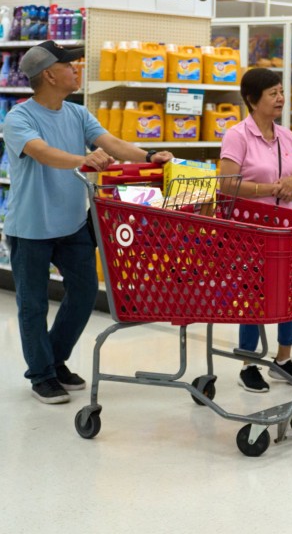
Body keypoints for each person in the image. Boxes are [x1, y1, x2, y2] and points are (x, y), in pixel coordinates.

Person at [4, 41, 173, 404]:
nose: (76, 68)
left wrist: (149, 156)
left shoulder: (77, 113)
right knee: (33, 305)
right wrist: (83, 160)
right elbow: (41, 152)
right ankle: (42, 374)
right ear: (49, 74)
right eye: (69, 64)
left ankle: (54, 359)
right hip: (30, 228)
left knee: (82, 294)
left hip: (72, 225)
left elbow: (110, 142)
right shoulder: (19, 117)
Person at [219, 68, 292, 392]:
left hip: (285, 224)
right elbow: (226, 184)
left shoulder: (286, 135)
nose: (281, 99)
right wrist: (267, 189)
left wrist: (291, 184)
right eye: (273, 93)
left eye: (281, 92)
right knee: (253, 292)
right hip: (249, 226)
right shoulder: (238, 135)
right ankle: (249, 362)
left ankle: (283, 359)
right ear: (251, 99)